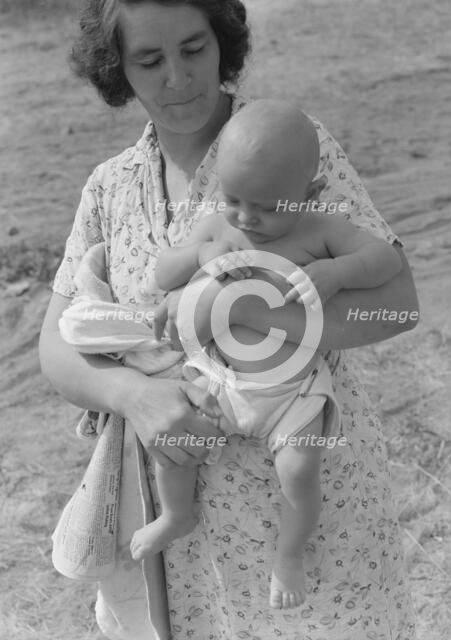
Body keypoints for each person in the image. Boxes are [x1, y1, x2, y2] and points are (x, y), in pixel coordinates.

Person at [38, 0, 419, 638]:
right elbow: (54, 347)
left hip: (313, 525)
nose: (178, 77)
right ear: (117, 69)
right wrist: (134, 396)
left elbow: (397, 302)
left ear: (223, 43)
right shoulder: (108, 188)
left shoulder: (291, 145)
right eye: (149, 60)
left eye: (193, 49)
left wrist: (236, 307)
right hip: (185, 545)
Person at [131, 99, 404, 613]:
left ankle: (290, 554)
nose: (247, 218)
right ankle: (176, 514)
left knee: (301, 470)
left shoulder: (321, 228)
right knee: (175, 439)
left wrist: (338, 273)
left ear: (311, 194)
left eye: (269, 207)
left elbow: (385, 258)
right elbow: (162, 274)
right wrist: (199, 254)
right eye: (234, 199)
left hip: (292, 393)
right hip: (221, 380)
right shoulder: (218, 224)